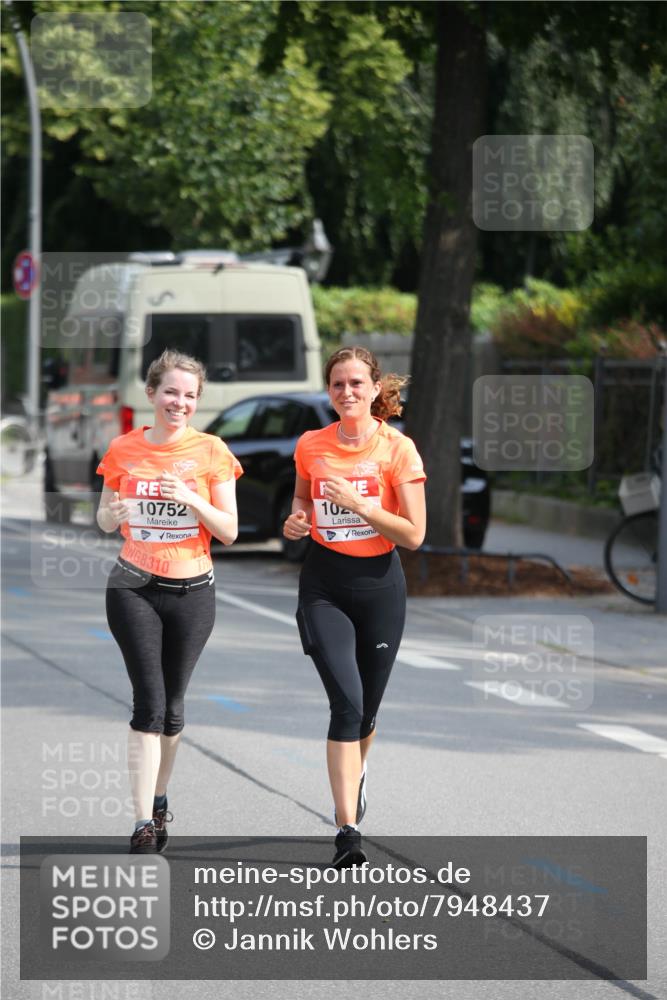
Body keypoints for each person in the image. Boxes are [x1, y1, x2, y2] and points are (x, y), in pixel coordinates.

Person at [283, 346, 426, 867]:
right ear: (329, 390)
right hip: (324, 584)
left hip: (379, 587)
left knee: (366, 711)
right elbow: (301, 500)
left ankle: (355, 777)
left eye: (356, 384)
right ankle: (347, 831)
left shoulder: (397, 449)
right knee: (345, 703)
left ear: (374, 388)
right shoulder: (311, 444)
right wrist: (296, 520)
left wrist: (363, 505)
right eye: (338, 384)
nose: (347, 392)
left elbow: (413, 534)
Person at [96, 350, 242, 854]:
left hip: (193, 593)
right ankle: (141, 822)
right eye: (171, 392)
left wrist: (191, 498)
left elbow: (228, 530)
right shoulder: (123, 449)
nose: (179, 402)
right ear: (152, 393)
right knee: (149, 705)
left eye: (189, 395)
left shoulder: (212, 451)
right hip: (133, 586)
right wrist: (112, 514)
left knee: (174, 710)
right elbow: (104, 519)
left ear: (196, 401)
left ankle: (159, 799)